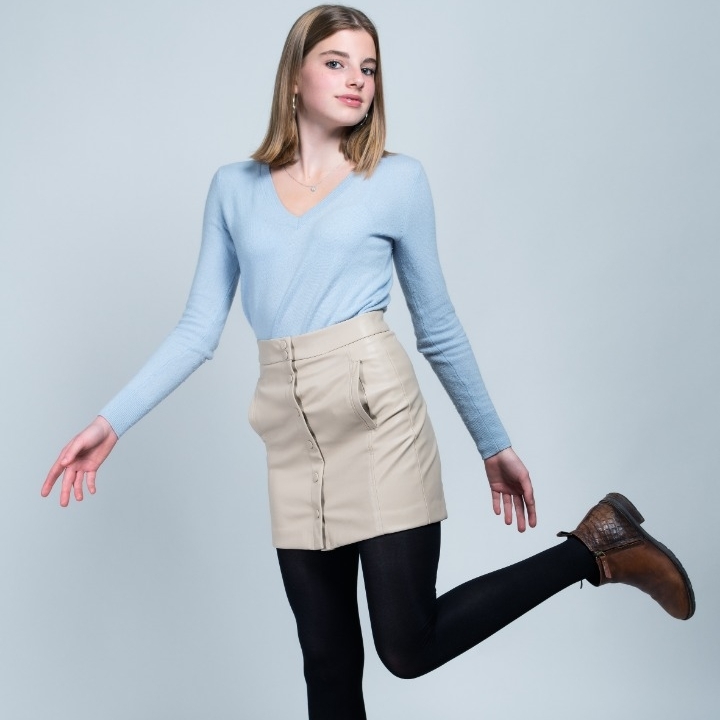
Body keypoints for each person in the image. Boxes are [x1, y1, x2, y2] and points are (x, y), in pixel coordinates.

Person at [42, 5, 695, 719]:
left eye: (369, 67)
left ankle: (595, 546)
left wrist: (493, 443)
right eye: (336, 62)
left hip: (378, 419)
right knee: (326, 662)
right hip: (292, 435)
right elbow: (199, 329)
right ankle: (599, 543)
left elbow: (436, 326)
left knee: (407, 646)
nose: (357, 79)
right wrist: (111, 422)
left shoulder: (396, 181)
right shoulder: (234, 188)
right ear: (295, 76)